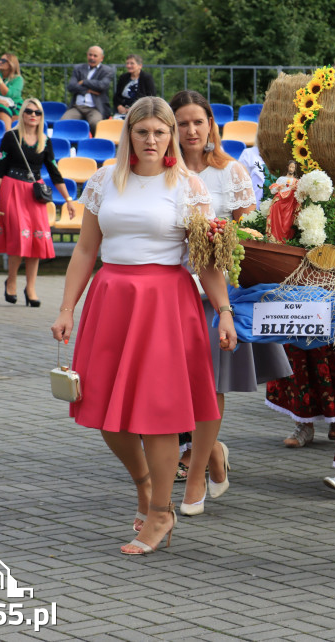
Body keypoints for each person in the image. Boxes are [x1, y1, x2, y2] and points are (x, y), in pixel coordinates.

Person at [51, 96, 237, 556]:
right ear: (128, 136)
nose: (151, 140)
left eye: (160, 132)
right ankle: (145, 485)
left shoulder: (189, 186)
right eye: (142, 132)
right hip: (111, 299)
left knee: (158, 415)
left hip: (166, 305)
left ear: (171, 135)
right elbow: (84, 251)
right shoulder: (102, 182)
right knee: (103, 410)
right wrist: (66, 308)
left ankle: (160, 512)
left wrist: (225, 310)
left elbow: (208, 259)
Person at [169, 90, 291, 511]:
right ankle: (211, 450)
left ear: (210, 127)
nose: (190, 130)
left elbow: (250, 237)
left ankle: (197, 468)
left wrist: (223, 242)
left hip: (215, 293)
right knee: (171, 383)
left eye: (197, 122)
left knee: (209, 385)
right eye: (182, 122)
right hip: (168, 291)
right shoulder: (159, 172)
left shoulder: (231, 172)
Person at [0, 99, 75, 307]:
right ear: (22, 114)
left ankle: (31, 287)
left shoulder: (45, 141)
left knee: (37, 239)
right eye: (29, 111)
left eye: (37, 112)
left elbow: (54, 172)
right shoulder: (11, 137)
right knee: (19, 237)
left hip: (35, 192)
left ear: (41, 116)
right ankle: (11, 280)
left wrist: (68, 199)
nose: (33, 115)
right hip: (12, 189)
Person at [61, 46, 114, 133]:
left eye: (95, 56)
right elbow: (71, 86)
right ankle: (71, 145)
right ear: (87, 55)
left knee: (96, 123)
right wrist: (88, 90)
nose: (92, 58)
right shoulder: (78, 68)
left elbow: (102, 86)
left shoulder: (107, 71)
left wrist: (84, 82)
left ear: (101, 58)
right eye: (90, 55)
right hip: (77, 107)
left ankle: (97, 145)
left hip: (95, 108)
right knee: (63, 123)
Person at [0, 53, 24, 130]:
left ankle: (8, 134)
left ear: (10, 64)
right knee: (2, 107)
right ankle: (8, 134)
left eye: (3, 60)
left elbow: (9, 94)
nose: (0, 62)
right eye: (0, 60)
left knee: (6, 110)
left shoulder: (18, 79)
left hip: (15, 106)